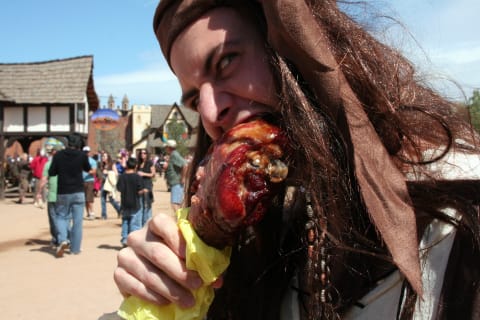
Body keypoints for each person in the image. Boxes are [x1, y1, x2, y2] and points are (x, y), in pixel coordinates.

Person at [114, 1, 480, 319]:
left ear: (294, 44)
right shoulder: (278, 217)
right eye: (195, 99)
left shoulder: (462, 205)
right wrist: (168, 286)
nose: (210, 113)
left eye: (226, 61)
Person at [49, 134, 91, 257]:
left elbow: (52, 172)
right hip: (78, 191)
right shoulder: (82, 155)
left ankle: (63, 239)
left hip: (63, 191)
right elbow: (87, 169)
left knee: (61, 217)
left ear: (67, 143)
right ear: (78, 144)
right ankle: (75, 249)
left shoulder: (58, 155)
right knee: (77, 222)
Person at [116, 157, 147, 247]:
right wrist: (144, 190)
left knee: (125, 221)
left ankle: (125, 239)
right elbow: (139, 190)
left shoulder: (122, 177)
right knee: (134, 223)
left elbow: (119, 188)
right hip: (135, 203)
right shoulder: (137, 177)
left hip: (124, 203)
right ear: (136, 166)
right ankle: (133, 241)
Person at [39, 143, 62, 247]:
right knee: (64, 217)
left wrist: (38, 193)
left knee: (53, 218)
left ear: (53, 152)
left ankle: (56, 238)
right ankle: (64, 237)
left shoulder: (48, 164)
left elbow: (44, 179)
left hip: (53, 195)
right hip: (64, 194)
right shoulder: (67, 164)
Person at [163, 139, 187, 214]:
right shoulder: (173, 155)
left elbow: (185, 165)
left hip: (177, 183)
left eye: (166, 147)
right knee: (176, 203)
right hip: (175, 183)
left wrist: (183, 178)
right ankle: (179, 220)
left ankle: (179, 221)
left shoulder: (174, 154)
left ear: (169, 147)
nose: (165, 148)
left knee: (175, 204)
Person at [136, 148, 156, 226]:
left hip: (147, 184)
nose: (142, 155)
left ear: (147, 154)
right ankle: (142, 223)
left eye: (144, 153)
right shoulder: (138, 163)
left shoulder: (149, 163)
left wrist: (144, 174)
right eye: (141, 153)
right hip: (140, 185)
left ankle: (148, 223)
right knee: (140, 204)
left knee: (147, 204)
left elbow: (153, 174)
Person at [99, 151, 122, 219]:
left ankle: (119, 210)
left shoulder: (112, 164)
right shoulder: (102, 165)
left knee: (111, 199)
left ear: (108, 157)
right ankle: (104, 215)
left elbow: (116, 174)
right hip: (103, 183)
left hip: (110, 184)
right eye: (103, 156)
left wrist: (108, 172)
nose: (103, 158)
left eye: (105, 156)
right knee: (102, 199)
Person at [82, 146, 98, 220]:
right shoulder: (80, 160)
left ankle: (92, 213)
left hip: (89, 181)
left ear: (89, 152)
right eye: (84, 152)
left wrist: (86, 170)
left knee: (89, 198)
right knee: (85, 199)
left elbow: (94, 171)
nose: (86, 153)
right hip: (82, 181)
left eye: (87, 152)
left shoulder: (92, 161)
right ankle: (88, 213)